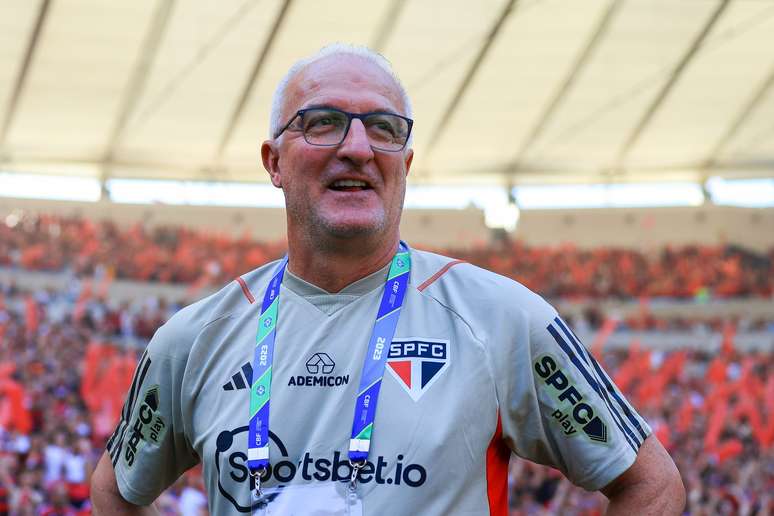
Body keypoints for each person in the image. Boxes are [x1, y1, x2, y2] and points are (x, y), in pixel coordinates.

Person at [91, 43, 685, 515]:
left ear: (406, 162)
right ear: (273, 161)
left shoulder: (502, 319)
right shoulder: (193, 339)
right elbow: (115, 489)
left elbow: (651, 484)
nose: (357, 147)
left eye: (383, 128)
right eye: (322, 123)